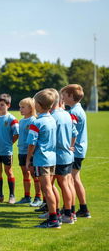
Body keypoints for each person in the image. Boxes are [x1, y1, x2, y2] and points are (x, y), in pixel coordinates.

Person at [26, 89, 60, 228]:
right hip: (52, 158)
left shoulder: (37, 123)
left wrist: (28, 159)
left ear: (39, 105)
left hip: (42, 159)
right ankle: (56, 214)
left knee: (46, 189)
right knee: (51, 187)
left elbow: (31, 144)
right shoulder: (52, 119)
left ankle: (53, 219)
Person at [61, 84, 91, 218]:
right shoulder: (76, 109)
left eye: (64, 94)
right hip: (79, 148)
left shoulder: (73, 112)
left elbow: (70, 132)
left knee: (71, 179)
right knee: (75, 178)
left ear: (71, 96)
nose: (62, 97)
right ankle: (82, 208)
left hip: (75, 150)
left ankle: (71, 209)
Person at [49, 88, 78, 224]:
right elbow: (74, 133)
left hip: (58, 156)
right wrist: (71, 146)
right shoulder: (67, 114)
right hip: (67, 154)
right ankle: (70, 212)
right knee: (66, 184)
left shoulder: (53, 117)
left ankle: (64, 214)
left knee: (57, 184)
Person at [15, 98, 42, 206]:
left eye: (23, 107)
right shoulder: (21, 121)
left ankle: (38, 197)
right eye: (20, 107)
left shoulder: (33, 120)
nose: (20, 109)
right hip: (21, 151)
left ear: (31, 108)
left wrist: (31, 153)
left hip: (30, 153)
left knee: (34, 175)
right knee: (25, 174)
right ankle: (27, 196)